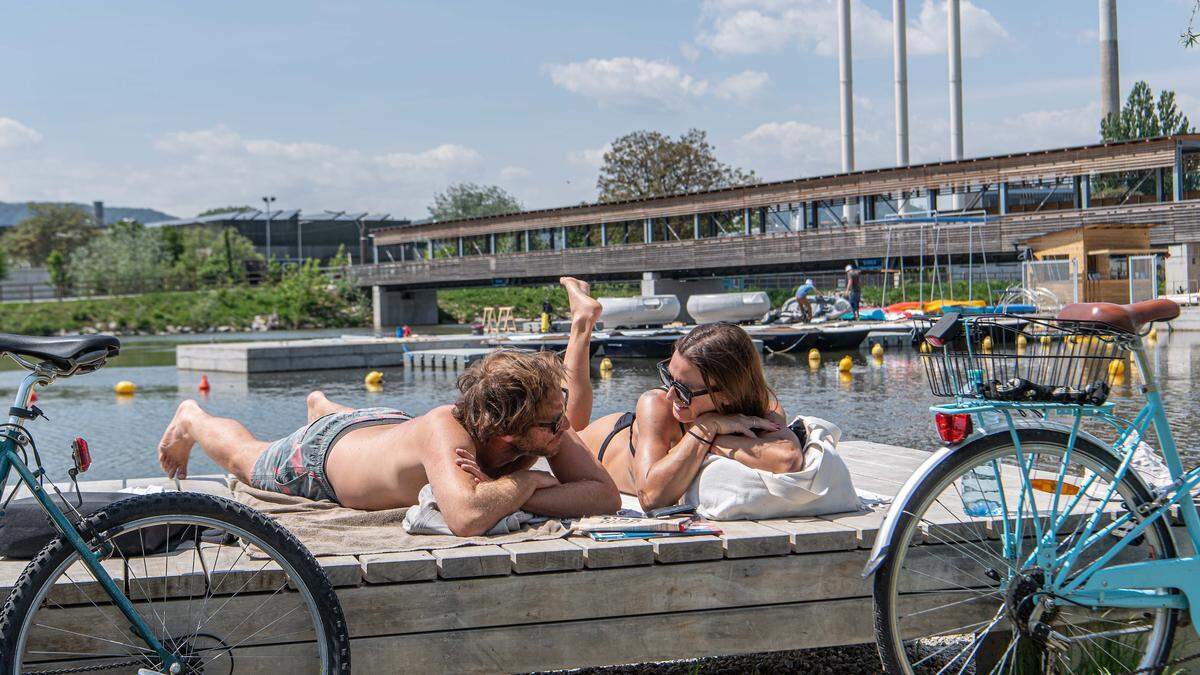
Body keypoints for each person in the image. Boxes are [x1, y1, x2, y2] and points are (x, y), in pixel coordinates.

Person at [156, 332, 621, 536]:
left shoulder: (547, 420)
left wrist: (506, 493)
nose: (565, 428)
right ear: (506, 430)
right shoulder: (447, 426)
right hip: (320, 460)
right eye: (551, 423)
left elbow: (605, 497)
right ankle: (193, 418)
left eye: (559, 417)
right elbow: (466, 517)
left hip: (384, 426)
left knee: (367, 427)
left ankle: (322, 406)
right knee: (247, 458)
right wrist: (526, 482)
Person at [552, 280, 805, 512]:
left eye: (683, 390)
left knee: (572, 420)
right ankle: (582, 324)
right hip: (595, 448)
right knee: (566, 426)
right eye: (668, 378)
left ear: (727, 395)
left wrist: (708, 441)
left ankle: (583, 317)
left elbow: (788, 459)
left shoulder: (761, 405)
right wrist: (706, 429)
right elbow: (651, 497)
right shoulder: (657, 404)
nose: (671, 394)